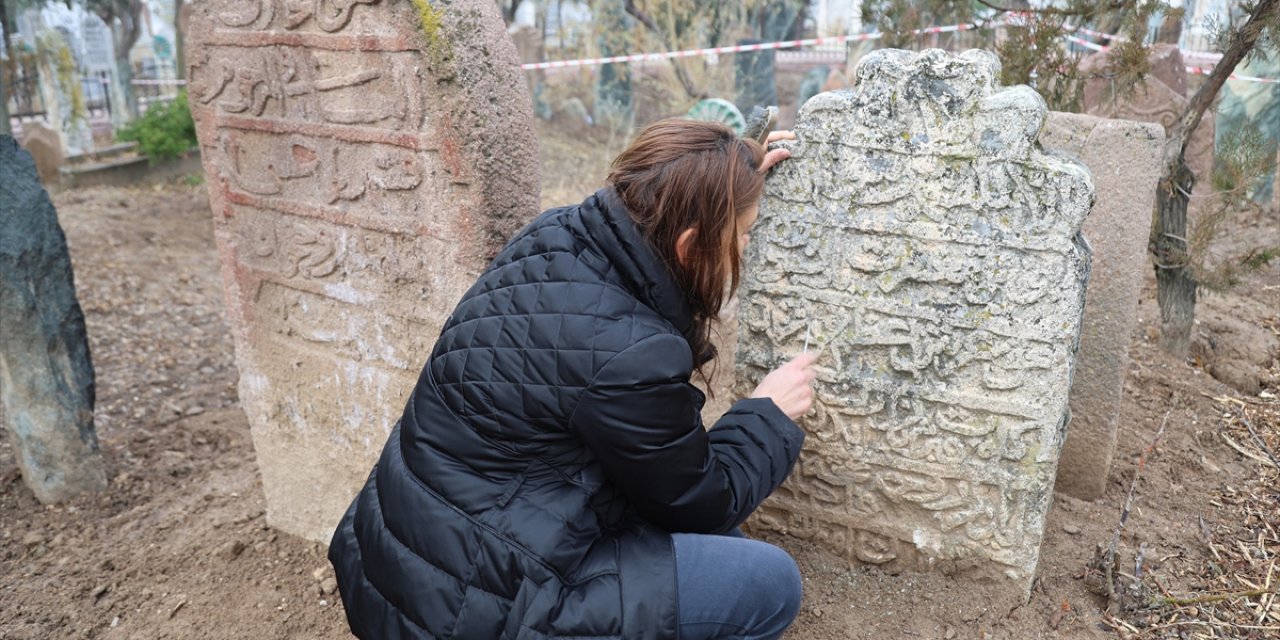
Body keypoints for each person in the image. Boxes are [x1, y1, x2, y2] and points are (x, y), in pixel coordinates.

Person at [328, 119, 818, 640]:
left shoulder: (555, 235)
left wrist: (731, 171)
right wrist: (766, 415)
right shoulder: (633, 356)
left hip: (399, 567)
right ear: (689, 244)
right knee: (766, 581)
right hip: (468, 611)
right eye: (742, 233)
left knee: (725, 547)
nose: (744, 245)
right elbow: (701, 499)